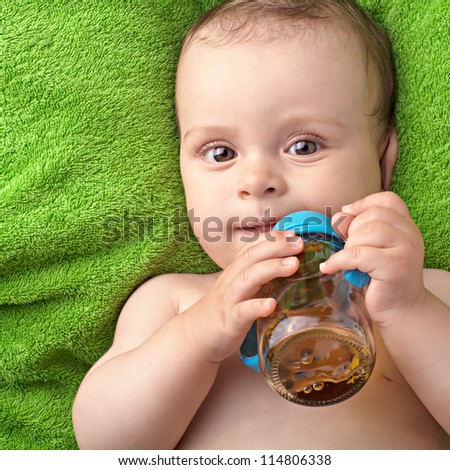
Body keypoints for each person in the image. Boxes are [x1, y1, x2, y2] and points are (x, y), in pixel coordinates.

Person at [72, 0, 450, 449]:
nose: (256, 182)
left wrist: (408, 311)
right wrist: (199, 335)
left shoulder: (424, 292)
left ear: (383, 162)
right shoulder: (175, 302)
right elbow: (105, 445)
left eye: (304, 145)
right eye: (220, 153)